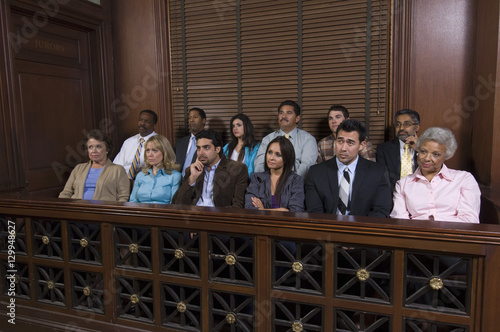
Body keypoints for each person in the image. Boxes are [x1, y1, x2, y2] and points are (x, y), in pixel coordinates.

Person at [391, 127, 481, 223]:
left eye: (436, 154)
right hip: (416, 236)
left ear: (446, 156)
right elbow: (400, 222)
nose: (427, 158)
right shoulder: (403, 184)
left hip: (453, 236)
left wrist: (435, 228)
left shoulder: (464, 179)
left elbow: (469, 220)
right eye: (423, 151)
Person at [306, 119, 392, 217]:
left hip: (363, 229)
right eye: (340, 141)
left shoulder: (377, 172)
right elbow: (314, 212)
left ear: (361, 145)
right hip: (327, 229)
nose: (343, 148)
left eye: (350, 143)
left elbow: (381, 210)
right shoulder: (316, 172)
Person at [173, 129, 249, 208]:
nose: (201, 152)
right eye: (198, 148)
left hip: (219, 217)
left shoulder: (238, 169)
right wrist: (192, 179)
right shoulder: (192, 170)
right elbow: (177, 203)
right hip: (194, 217)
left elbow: (238, 206)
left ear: (217, 149)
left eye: (206, 148)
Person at [59, 129, 130, 201]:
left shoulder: (118, 170)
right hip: (77, 209)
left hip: (104, 210)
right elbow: (66, 193)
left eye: (98, 146)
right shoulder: (78, 168)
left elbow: (123, 197)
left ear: (107, 149)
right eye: (90, 147)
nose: (94, 151)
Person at [254, 100, 317, 178]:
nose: (283, 116)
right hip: (269, 186)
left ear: (297, 118)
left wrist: (289, 184)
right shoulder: (267, 139)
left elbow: (306, 167)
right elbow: (259, 166)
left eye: (289, 113)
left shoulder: (308, 139)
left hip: (296, 186)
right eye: (281, 113)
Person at [245, 136, 304, 212]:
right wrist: (283, 210)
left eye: (278, 155)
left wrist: (263, 210)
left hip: (286, 223)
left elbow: (296, 211)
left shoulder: (296, 180)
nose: (271, 158)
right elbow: (249, 207)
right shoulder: (256, 178)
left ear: (287, 158)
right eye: (270, 152)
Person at [129, 135, 181, 204]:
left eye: (155, 150)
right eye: (147, 150)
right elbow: (133, 202)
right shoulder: (140, 175)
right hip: (141, 213)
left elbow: (174, 204)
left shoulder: (174, 176)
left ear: (164, 152)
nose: (150, 154)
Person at [376, 109, 420, 189]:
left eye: (407, 124)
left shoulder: (425, 148)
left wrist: (419, 150)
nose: (401, 128)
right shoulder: (383, 149)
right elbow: (383, 179)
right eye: (398, 124)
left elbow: (431, 173)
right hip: (393, 196)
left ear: (417, 127)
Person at [113, 110, 158, 180]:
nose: (142, 123)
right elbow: (117, 165)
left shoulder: (159, 142)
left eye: (146, 121)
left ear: (154, 125)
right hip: (122, 181)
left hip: (145, 180)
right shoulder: (128, 142)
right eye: (140, 120)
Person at [175, 107, 207, 176]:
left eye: (195, 117)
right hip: (178, 182)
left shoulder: (209, 142)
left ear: (204, 121)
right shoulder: (179, 143)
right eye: (189, 118)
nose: (191, 120)